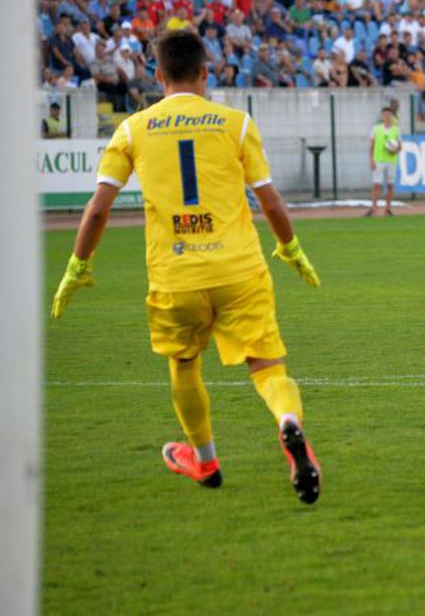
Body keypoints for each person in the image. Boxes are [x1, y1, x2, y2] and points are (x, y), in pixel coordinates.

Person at [49, 30, 324, 503]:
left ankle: (205, 458)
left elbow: (97, 210)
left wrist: (76, 267)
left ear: (157, 75)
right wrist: (292, 249)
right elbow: (269, 200)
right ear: (205, 73)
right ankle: (288, 422)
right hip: (240, 270)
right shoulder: (236, 124)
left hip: (176, 277)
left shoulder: (133, 129)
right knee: (267, 367)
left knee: (184, 363)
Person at [367, 106, 401, 217]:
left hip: (391, 160)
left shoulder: (396, 129)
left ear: (392, 117)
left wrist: (395, 150)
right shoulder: (376, 129)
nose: (387, 117)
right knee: (377, 184)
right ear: (382, 117)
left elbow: (400, 146)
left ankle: (387, 209)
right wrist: (371, 160)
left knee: (390, 185)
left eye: (389, 115)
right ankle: (374, 208)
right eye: (385, 115)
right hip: (379, 160)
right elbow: (371, 145)